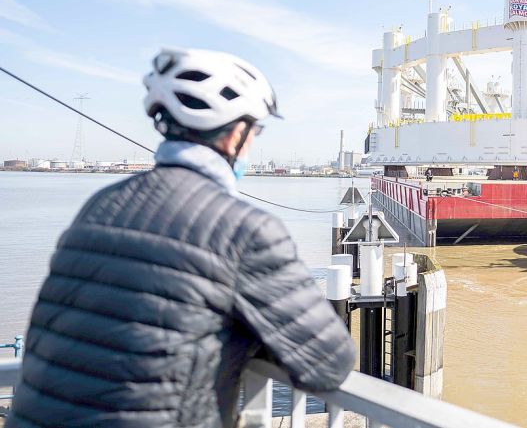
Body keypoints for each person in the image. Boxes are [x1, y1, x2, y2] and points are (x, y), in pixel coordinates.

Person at [8, 49, 355, 428]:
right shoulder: (245, 229)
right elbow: (328, 364)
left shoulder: (101, 204)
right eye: (255, 130)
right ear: (238, 133)